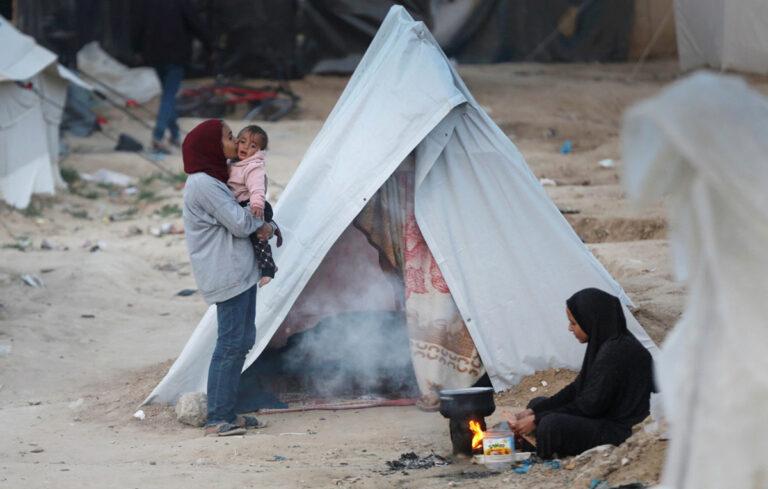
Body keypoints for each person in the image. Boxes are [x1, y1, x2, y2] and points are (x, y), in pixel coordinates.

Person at [181, 119, 275, 436]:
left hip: (239, 270)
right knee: (231, 343)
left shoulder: (217, 179)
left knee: (242, 340)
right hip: (226, 271)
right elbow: (238, 222)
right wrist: (263, 225)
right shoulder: (203, 184)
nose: (236, 143)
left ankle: (227, 412)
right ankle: (217, 418)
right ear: (210, 145)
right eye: (229, 137)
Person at [508, 288, 654, 459]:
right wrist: (534, 411)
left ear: (590, 320)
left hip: (621, 431)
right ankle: (535, 437)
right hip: (603, 416)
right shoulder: (604, 343)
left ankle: (542, 448)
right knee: (537, 402)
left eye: (574, 323)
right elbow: (576, 389)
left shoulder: (616, 352)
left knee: (550, 424)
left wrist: (537, 420)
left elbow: (589, 406)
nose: (570, 328)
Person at [136, 0, 212, 153]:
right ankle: (158, 134)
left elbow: (138, 25)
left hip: (154, 54)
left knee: (167, 94)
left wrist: (137, 49)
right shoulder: (182, 3)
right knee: (169, 95)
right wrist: (210, 45)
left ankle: (175, 135)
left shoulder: (147, 3)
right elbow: (196, 24)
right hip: (176, 55)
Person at [227, 125, 281, 287]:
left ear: (259, 151)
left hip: (254, 204)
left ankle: (268, 269)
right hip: (241, 205)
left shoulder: (253, 166)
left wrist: (257, 203)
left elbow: (257, 187)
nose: (245, 147)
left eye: (253, 146)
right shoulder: (232, 162)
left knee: (258, 238)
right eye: (242, 142)